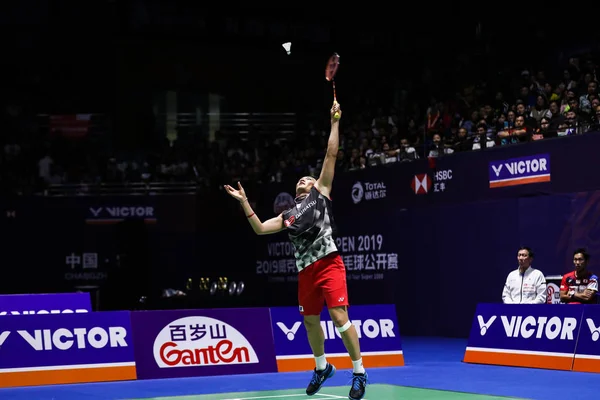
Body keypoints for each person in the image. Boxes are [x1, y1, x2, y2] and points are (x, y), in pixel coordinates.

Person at [224, 102, 368, 400]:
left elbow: (331, 153)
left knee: (340, 318)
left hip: (329, 264)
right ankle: (322, 367)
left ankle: (359, 372)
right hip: (306, 272)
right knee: (310, 321)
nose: (305, 180)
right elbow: (261, 229)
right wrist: (244, 202)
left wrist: (335, 122)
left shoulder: (321, 193)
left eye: (308, 178)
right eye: (300, 180)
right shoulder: (287, 215)